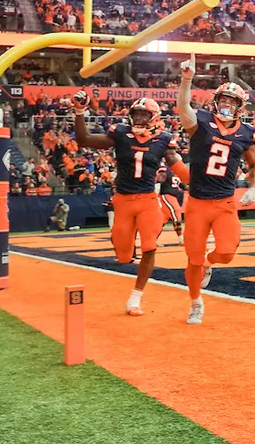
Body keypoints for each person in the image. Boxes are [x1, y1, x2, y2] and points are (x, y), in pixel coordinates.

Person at [73, 92, 185, 314]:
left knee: (150, 246)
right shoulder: (121, 133)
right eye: (137, 114)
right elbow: (84, 139)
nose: (140, 119)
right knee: (124, 256)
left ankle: (135, 298)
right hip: (123, 200)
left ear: (154, 117)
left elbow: (177, 166)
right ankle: (125, 245)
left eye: (145, 115)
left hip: (148, 200)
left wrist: (201, 179)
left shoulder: (164, 139)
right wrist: (79, 112)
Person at [177, 59, 255, 325]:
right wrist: (186, 80)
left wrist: (254, 187)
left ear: (240, 107)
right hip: (198, 203)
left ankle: (209, 264)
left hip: (225, 202)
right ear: (216, 100)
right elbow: (183, 110)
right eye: (223, 100)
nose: (226, 105)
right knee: (192, 258)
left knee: (225, 252)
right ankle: (195, 302)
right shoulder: (201, 121)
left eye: (232, 102)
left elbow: (254, 163)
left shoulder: (246, 133)